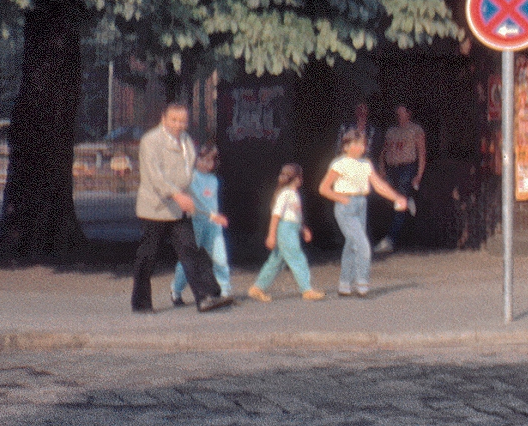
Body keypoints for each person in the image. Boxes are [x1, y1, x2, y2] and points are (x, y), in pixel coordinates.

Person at [131, 101, 226, 312]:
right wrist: (176, 194)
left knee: (190, 251)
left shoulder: (186, 142)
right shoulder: (150, 141)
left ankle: (206, 297)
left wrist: (208, 212)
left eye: (182, 120)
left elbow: (187, 179)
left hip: (178, 210)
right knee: (147, 257)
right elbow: (154, 177)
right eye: (173, 120)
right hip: (154, 210)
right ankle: (141, 304)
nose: (178, 124)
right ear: (163, 119)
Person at [320, 126, 410, 297]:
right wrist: (341, 199)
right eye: (357, 144)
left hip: (361, 204)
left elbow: (378, 185)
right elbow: (324, 188)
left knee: (351, 245)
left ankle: (345, 284)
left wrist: (396, 197)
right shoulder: (339, 164)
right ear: (346, 146)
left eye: (363, 144)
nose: (361, 147)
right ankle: (362, 283)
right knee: (362, 245)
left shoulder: (366, 164)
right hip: (345, 205)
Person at [248, 164, 323, 301]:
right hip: (285, 230)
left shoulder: (293, 194)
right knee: (297, 258)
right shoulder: (285, 194)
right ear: (297, 178)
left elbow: (296, 215)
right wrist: (271, 235)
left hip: (292, 228)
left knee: (276, 261)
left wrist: (303, 228)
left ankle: (257, 288)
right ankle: (306, 289)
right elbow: (276, 215)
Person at [171, 144, 232, 306]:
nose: (206, 164)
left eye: (210, 161)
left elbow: (212, 202)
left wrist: (215, 217)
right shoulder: (192, 177)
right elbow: (196, 201)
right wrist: (212, 215)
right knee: (189, 259)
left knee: (220, 257)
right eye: (202, 159)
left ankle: (225, 292)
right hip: (196, 223)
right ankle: (176, 290)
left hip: (213, 225)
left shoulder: (213, 180)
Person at [377, 104, 426, 252]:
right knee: (390, 197)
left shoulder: (415, 130)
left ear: (408, 113)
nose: (399, 115)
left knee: (400, 201)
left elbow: (422, 153)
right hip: (392, 168)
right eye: (397, 112)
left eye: (402, 112)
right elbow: (383, 151)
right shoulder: (391, 131)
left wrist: (419, 174)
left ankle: (390, 239)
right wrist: (381, 168)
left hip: (407, 167)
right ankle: (409, 197)